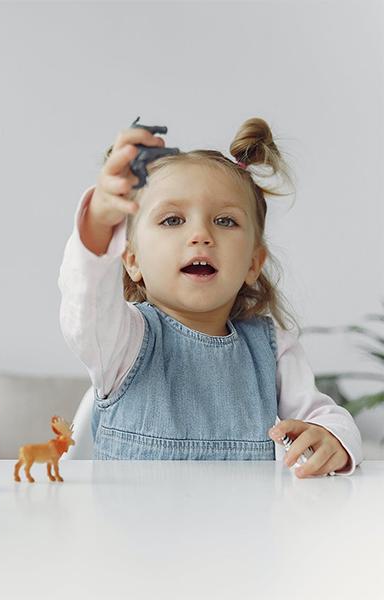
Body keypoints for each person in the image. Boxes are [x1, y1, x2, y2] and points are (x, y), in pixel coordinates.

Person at [58, 118, 362, 476]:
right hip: (134, 530)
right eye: (172, 220)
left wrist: (333, 438)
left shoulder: (273, 349)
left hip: (245, 529)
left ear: (252, 263)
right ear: (132, 259)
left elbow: (323, 415)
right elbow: (86, 299)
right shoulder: (122, 341)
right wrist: (97, 221)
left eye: (225, 221)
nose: (201, 234)